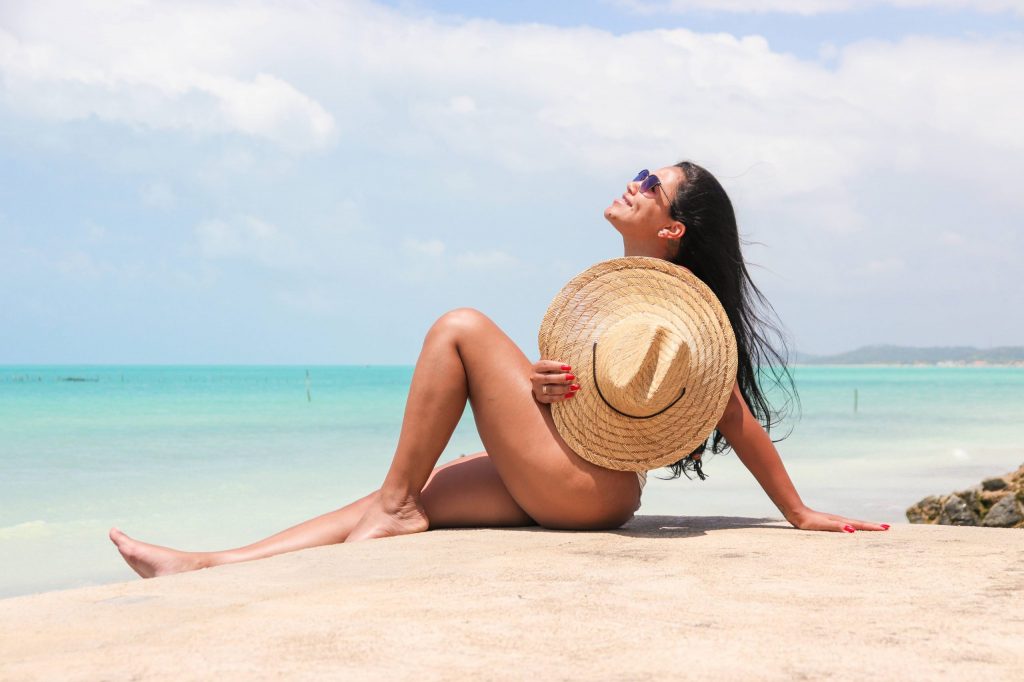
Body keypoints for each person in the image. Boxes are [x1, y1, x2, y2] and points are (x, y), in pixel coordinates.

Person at [110, 161, 889, 579]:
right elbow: (603, 399)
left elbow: (733, 417)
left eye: (655, 186)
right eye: (644, 169)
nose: (637, 179)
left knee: (460, 328)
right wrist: (551, 387)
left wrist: (799, 512)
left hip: (589, 487)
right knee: (398, 498)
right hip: (573, 468)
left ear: (672, 227)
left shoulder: (679, 327)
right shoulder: (611, 303)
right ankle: (209, 562)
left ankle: (392, 508)